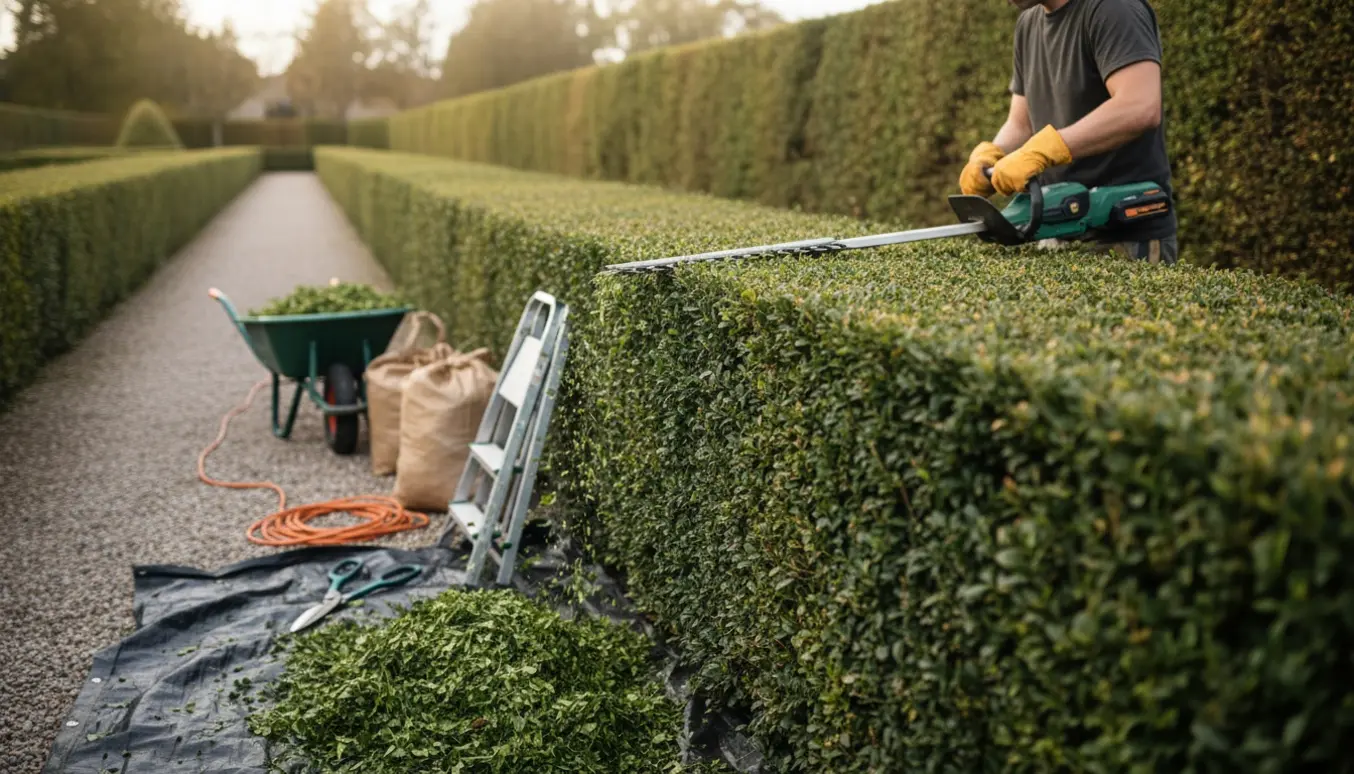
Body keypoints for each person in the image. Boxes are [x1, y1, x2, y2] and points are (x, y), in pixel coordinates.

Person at [960, 0, 1177, 264]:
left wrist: (1050, 148)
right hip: (1057, 225)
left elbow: (1139, 106)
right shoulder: (1028, 23)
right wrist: (991, 156)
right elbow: (1021, 123)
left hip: (1125, 231)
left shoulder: (1113, 8)